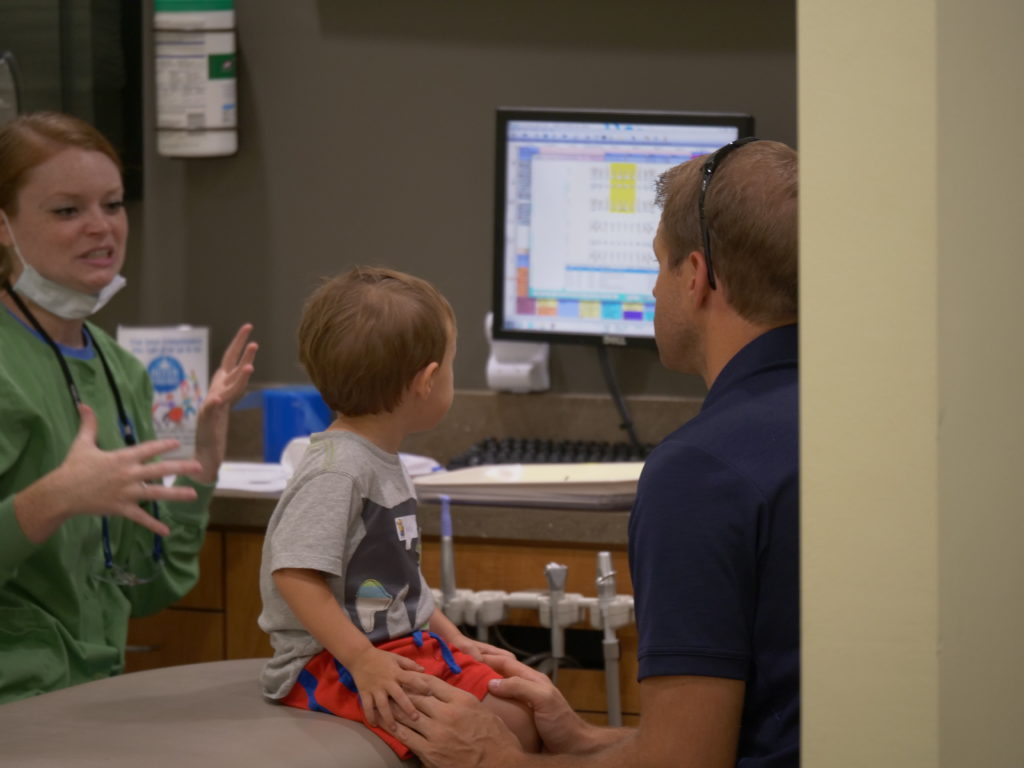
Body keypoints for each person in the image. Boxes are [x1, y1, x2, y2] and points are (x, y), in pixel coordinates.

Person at [391, 138, 800, 768]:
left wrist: (500, 762)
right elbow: (762, 727)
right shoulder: (850, 430)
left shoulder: (702, 474)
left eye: (659, 264)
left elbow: (683, 764)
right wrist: (586, 741)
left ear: (696, 278)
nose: (655, 289)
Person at [0, 112, 257, 704]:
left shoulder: (122, 373)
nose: (102, 228)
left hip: (87, 698)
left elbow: (144, 588)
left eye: (112, 205)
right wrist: (51, 500)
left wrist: (204, 463)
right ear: (4, 225)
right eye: (68, 210)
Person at [257, 266, 539, 759]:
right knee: (508, 725)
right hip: (326, 661)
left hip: (395, 646)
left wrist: (456, 640)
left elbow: (400, 584)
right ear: (427, 381)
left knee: (520, 707)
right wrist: (362, 660)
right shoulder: (338, 471)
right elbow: (295, 574)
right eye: (451, 366)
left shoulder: (380, 461)